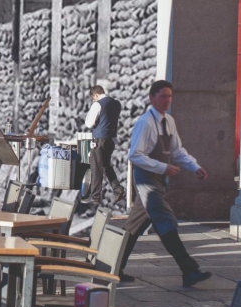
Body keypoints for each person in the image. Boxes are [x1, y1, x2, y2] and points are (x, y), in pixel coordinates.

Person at [118, 80, 212, 287]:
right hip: (146, 182)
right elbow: (135, 155)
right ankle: (189, 270)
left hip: (158, 181)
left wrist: (194, 166)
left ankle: (112, 268)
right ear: (152, 98)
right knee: (165, 221)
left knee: (133, 227)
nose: (167, 100)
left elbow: (177, 150)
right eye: (162, 96)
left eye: (169, 96)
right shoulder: (145, 122)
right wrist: (162, 167)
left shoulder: (169, 121)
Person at [82, 85, 125, 205]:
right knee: (106, 165)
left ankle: (95, 197)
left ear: (95, 95)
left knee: (96, 167)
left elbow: (89, 123)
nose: (94, 100)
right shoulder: (116, 104)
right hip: (111, 139)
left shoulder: (98, 104)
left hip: (99, 139)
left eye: (93, 98)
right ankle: (118, 189)